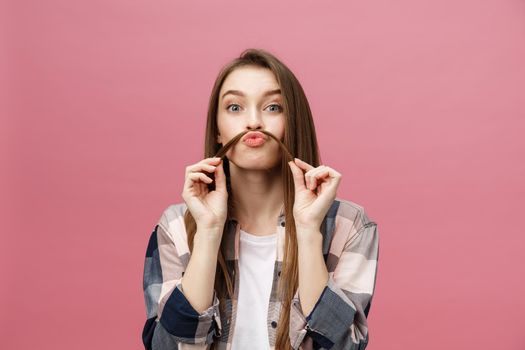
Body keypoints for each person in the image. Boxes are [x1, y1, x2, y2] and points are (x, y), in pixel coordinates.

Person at [141, 48, 380, 350]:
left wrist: (307, 230)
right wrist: (209, 231)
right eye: (235, 107)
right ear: (216, 129)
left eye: (273, 107)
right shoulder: (175, 226)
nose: (253, 122)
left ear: (293, 121)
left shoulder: (351, 225)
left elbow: (343, 346)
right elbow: (165, 346)